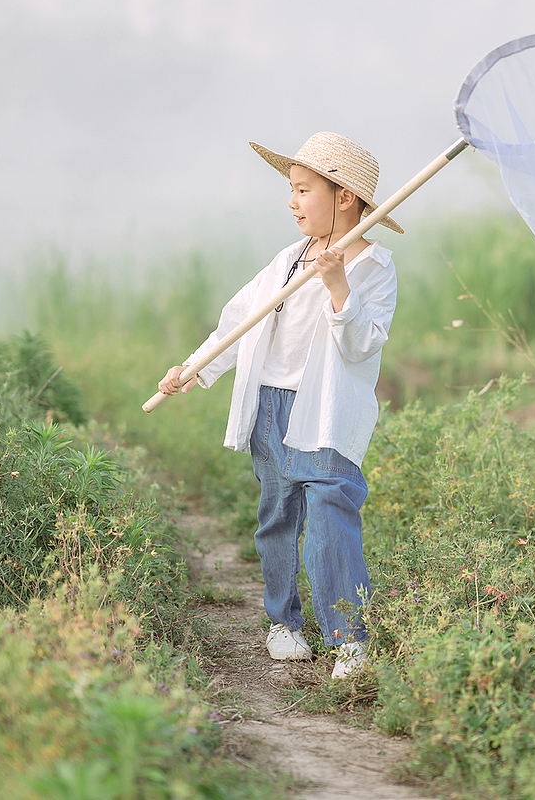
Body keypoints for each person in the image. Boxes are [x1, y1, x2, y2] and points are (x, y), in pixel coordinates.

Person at [157, 132, 400, 680]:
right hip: (271, 405)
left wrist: (339, 285)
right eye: (291, 190)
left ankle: (350, 638)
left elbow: (362, 343)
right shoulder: (289, 259)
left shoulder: (373, 267)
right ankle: (283, 621)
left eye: (302, 190)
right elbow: (238, 322)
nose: (291, 202)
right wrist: (194, 369)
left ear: (343, 197)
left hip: (326, 411)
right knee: (277, 515)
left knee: (332, 516)